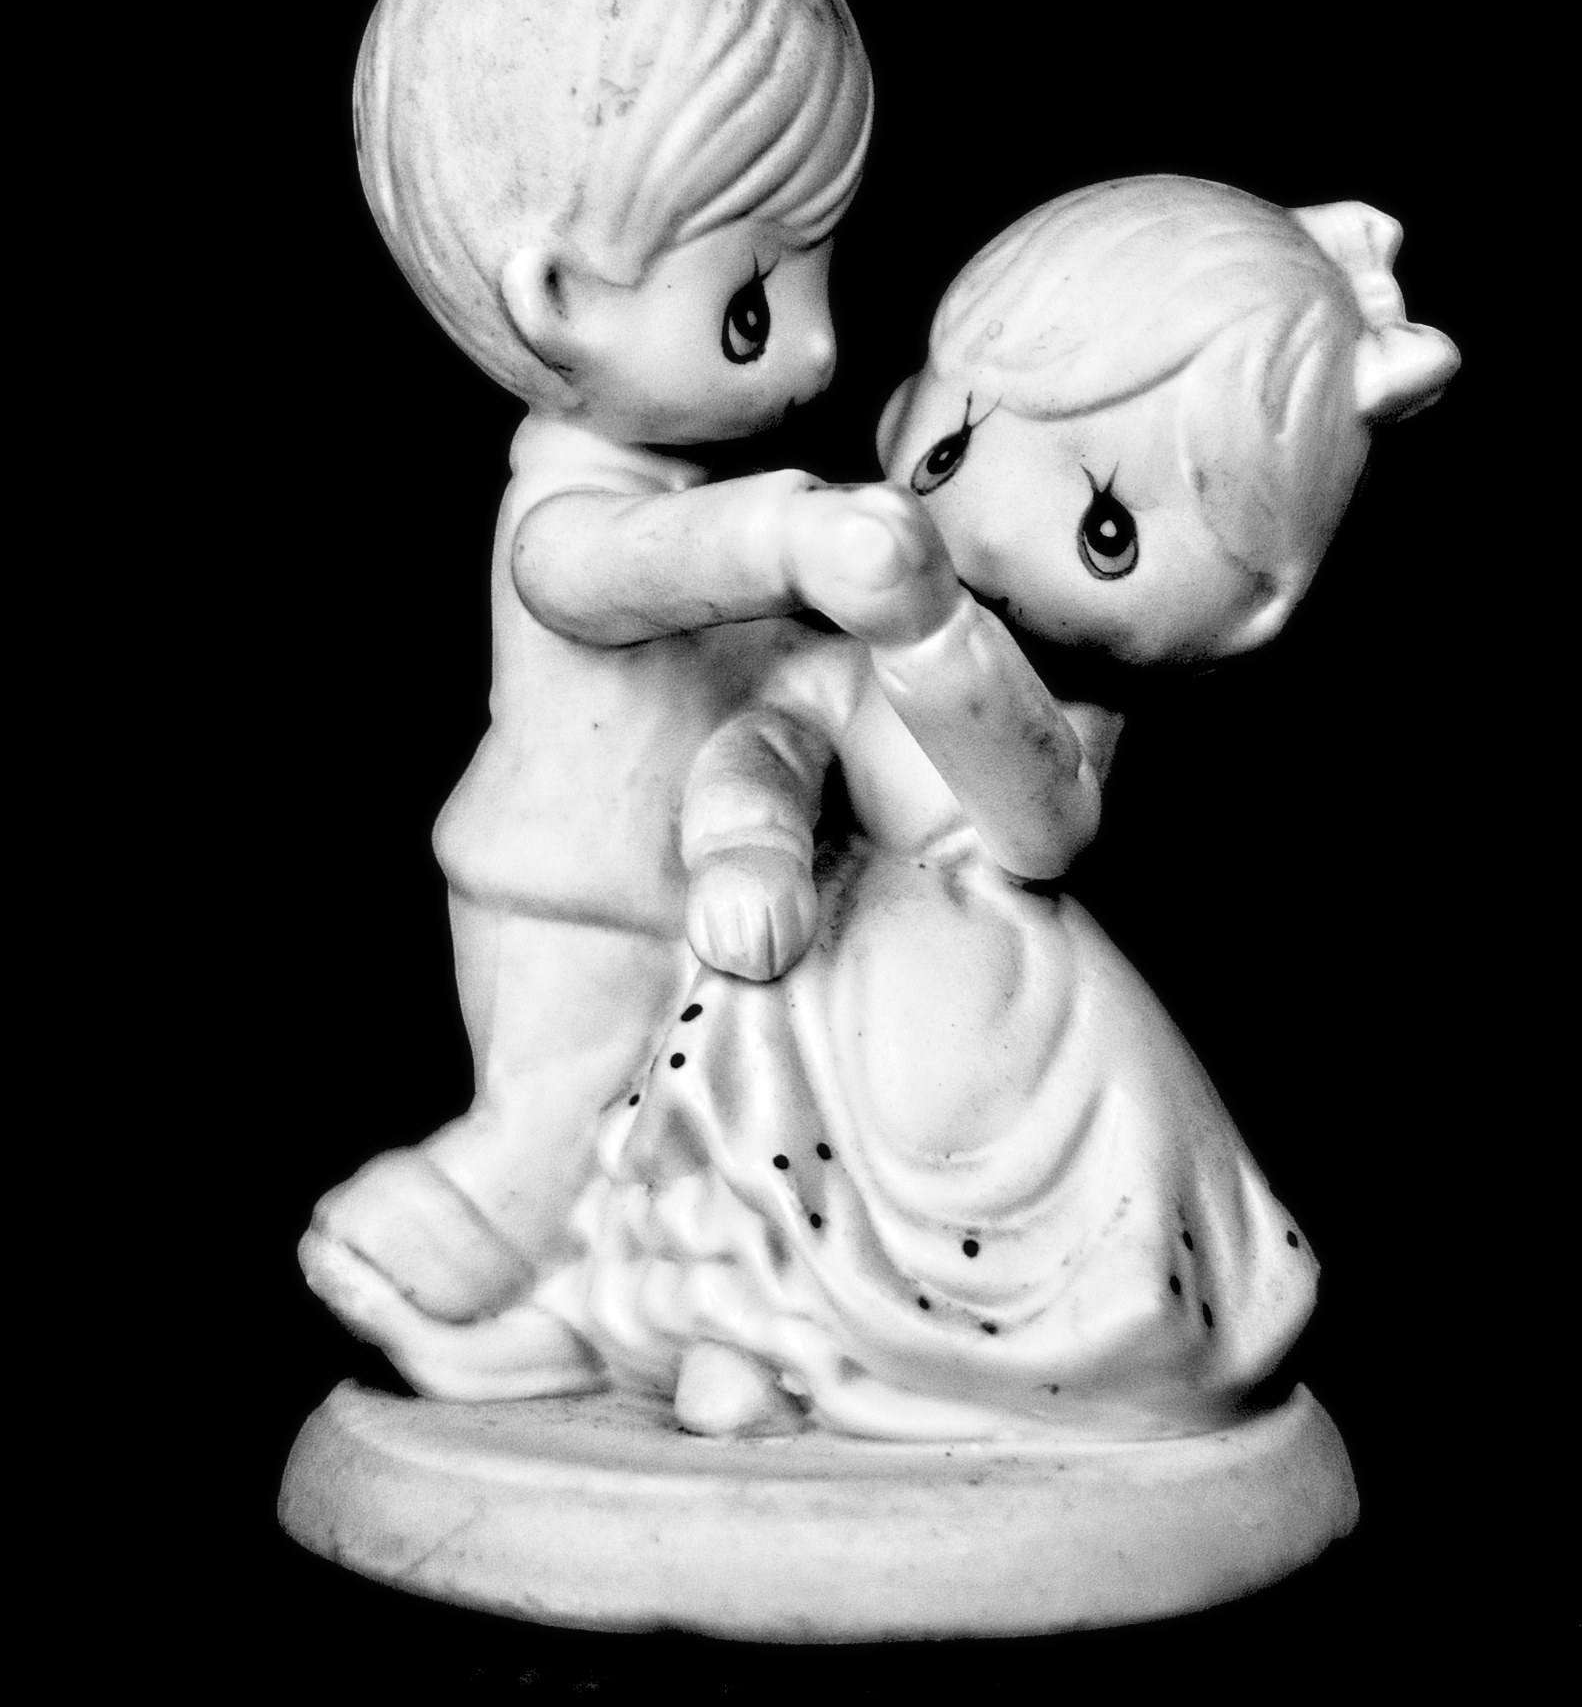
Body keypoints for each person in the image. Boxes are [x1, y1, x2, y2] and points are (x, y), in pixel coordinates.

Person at [545, 175, 1460, 1438]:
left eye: (1104, 527)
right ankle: (758, 1344)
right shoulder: (833, 652)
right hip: (825, 961)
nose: (987, 528)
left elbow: (1041, 822)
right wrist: (749, 843)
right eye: (957, 445)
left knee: (1044, 1234)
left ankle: (946, 1374)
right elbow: (769, 739)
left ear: (1250, 613)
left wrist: (933, 635)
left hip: (1010, 1018)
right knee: (753, 1144)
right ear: (909, 403)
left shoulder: (1062, 715)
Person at [300, 0, 899, 1395]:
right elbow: (615, 578)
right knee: (551, 1120)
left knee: (647, 1130)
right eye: (753, 303)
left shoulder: (673, 485)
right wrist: (784, 539)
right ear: (558, 300)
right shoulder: (569, 514)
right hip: (569, 894)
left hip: (672, 884)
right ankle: (402, 1253)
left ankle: (588, 1318)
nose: (818, 350)